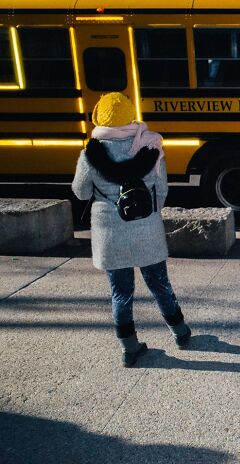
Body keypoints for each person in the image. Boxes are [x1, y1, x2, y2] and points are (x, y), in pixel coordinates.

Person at [72, 92, 191, 367]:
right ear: (130, 115)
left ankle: (129, 348)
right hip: (146, 229)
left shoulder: (90, 153)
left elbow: (80, 192)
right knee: (161, 285)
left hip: (110, 234)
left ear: (100, 117)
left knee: (120, 293)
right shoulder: (149, 147)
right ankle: (181, 333)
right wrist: (149, 214)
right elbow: (162, 190)